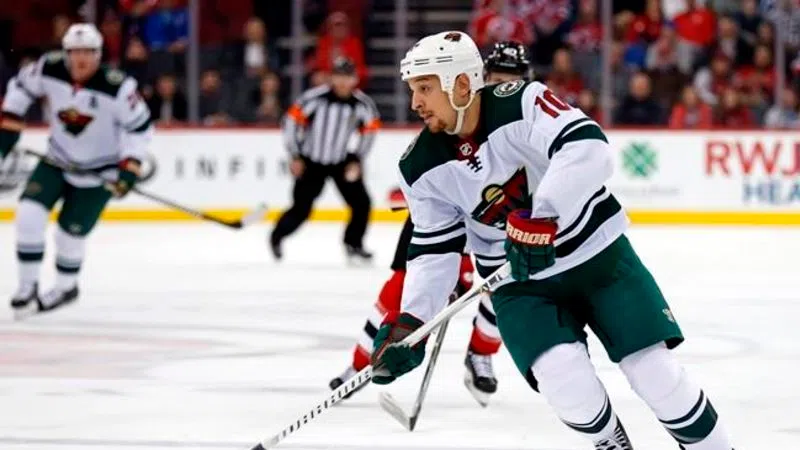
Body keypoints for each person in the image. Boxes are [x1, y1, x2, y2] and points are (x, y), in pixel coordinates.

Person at [370, 31, 735, 450]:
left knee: (657, 375)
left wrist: (544, 213)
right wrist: (412, 322)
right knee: (566, 384)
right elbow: (434, 251)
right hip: (519, 283)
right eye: (413, 90)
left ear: (462, 84)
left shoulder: (522, 102)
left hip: (598, 257)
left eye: (424, 88)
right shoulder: (418, 166)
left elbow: (589, 148)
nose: (415, 103)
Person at [328, 40, 533, 407]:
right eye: (496, 77)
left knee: (504, 284)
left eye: (512, 79)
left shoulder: (522, 116)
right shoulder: (457, 108)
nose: (503, 85)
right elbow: (426, 165)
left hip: (496, 220)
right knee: (401, 287)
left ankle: (481, 355)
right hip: (443, 217)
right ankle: (362, 364)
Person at [0, 24, 153, 316]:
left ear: (99, 55)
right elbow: (20, 88)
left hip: (100, 172)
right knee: (28, 215)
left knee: (68, 236)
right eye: (75, 52)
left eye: (88, 52)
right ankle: (27, 286)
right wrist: (9, 126)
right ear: (66, 53)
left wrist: (130, 167)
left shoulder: (119, 88)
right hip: (57, 160)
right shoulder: (49, 67)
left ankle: (65, 287)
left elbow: (140, 129)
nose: (81, 58)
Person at [270, 57, 379, 262]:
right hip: (311, 161)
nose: (343, 82)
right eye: (339, 76)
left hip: (341, 162)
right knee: (302, 209)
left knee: (362, 204)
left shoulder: (362, 104)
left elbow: (370, 131)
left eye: (347, 77)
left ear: (355, 79)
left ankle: (353, 244)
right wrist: (295, 155)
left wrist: (357, 159)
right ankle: (277, 236)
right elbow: (291, 122)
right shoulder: (314, 98)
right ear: (331, 77)